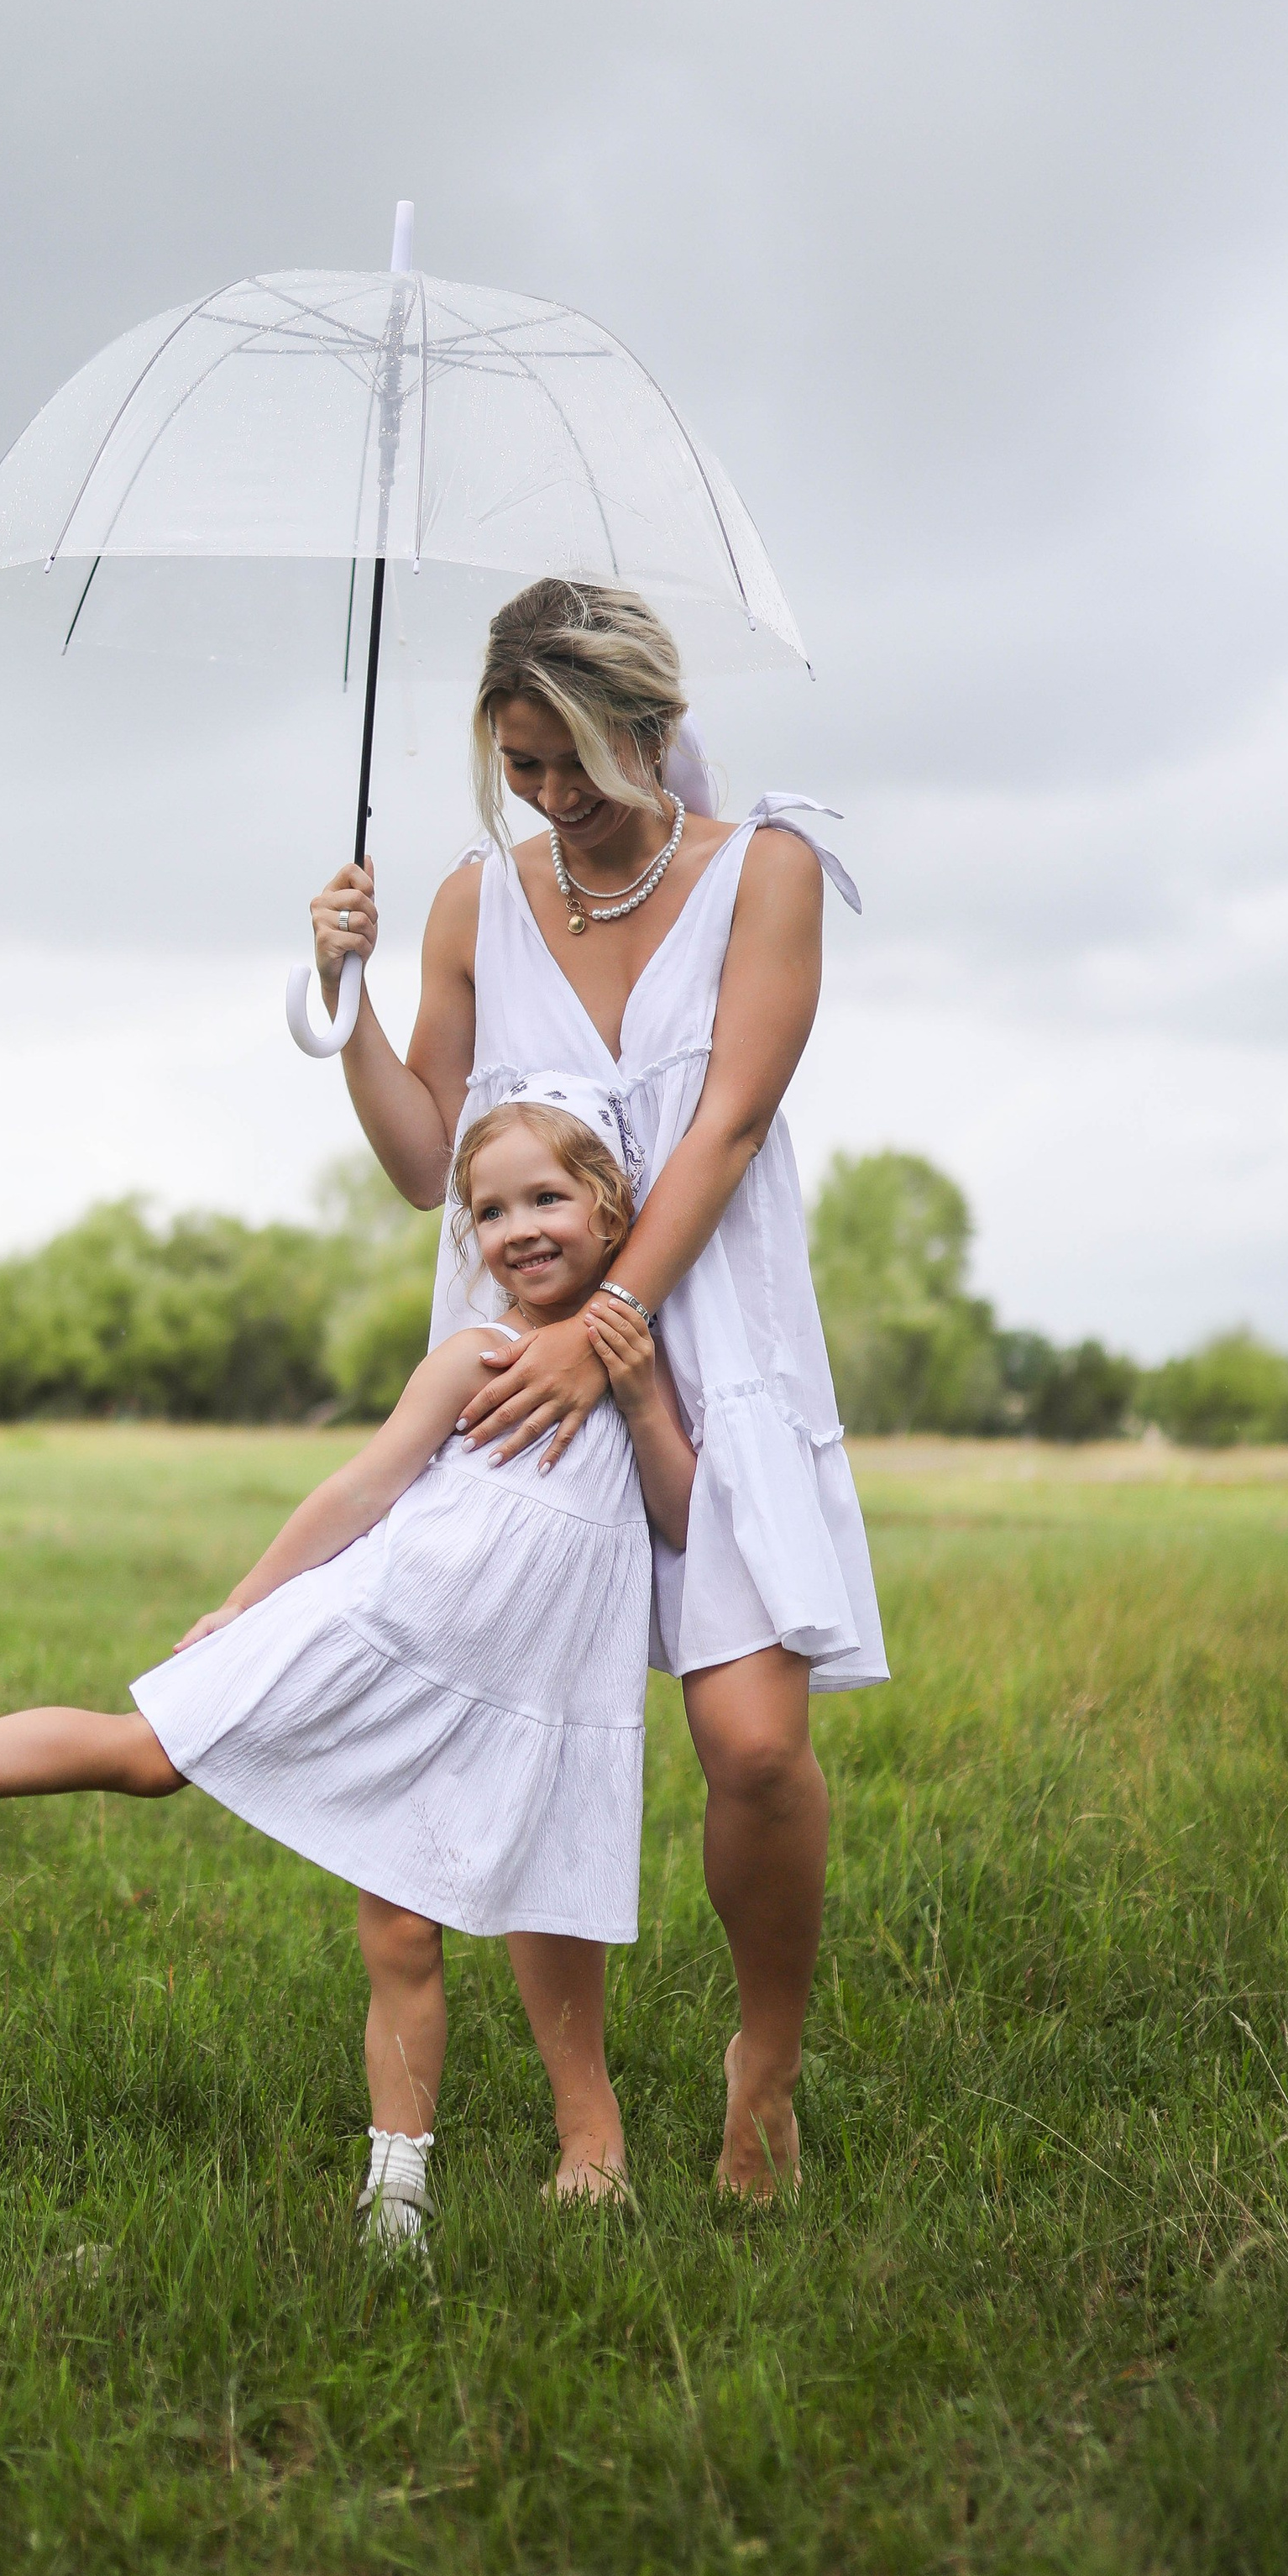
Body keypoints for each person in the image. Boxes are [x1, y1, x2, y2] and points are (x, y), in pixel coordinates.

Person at [0, 1086, 694, 2244]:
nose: (519, 1226)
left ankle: (396, 2204)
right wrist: (245, 1603)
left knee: (405, 1938)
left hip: (504, 1707)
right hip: (372, 1639)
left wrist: (636, 1394)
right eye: (489, 1209)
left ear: (612, 1209)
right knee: (147, 1758)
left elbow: (677, 1515)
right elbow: (361, 1489)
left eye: (548, 1197)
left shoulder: (637, 1364)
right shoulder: (475, 1357)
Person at [306, 579, 889, 2201]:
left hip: (713, 1338)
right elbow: (433, 1160)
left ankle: (761, 2068)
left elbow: (730, 1127)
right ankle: (588, 2122)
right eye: (519, 766)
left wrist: (613, 1326)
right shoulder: (470, 903)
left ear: (648, 726)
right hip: (525, 1357)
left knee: (757, 1747)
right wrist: (344, 1006)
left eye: (576, 761)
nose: (552, 799)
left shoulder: (765, 870)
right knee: (541, 1739)